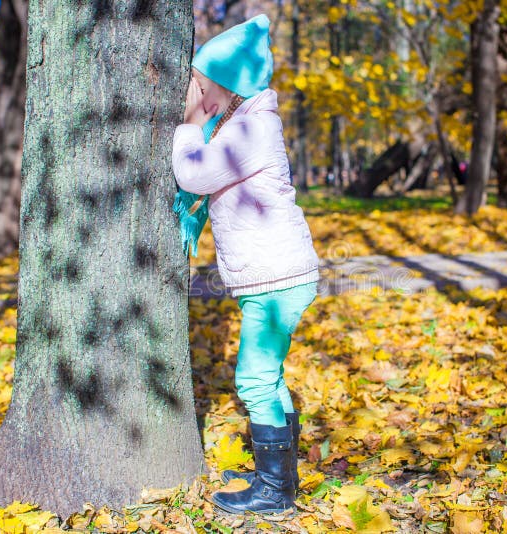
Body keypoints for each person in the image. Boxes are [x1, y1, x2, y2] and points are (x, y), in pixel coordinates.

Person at [171, 14, 319, 515]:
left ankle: (275, 493)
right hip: (276, 275)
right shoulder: (244, 123)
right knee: (270, 379)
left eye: (202, 84)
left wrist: (190, 124)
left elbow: (197, 174)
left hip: (278, 278)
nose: (196, 92)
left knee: (255, 381)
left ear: (230, 84)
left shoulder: (252, 129)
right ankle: (277, 472)